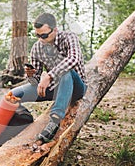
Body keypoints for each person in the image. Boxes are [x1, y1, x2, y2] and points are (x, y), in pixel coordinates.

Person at [11, 12, 87, 143]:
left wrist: (50, 76)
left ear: (55, 30)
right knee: (13, 95)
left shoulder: (69, 37)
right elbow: (36, 81)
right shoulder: (37, 48)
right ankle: (23, 122)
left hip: (76, 87)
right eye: (37, 35)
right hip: (54, 88)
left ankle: (55, 121)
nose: (41, 39)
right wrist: (31, 75)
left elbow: (74, 59)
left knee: (66, 72)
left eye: (44, 35)